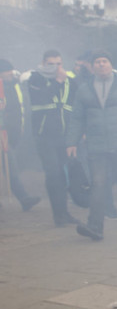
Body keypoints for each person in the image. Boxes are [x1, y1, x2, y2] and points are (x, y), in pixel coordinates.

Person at [65, 50, 117, 240]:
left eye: (105, 61)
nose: (101, 64)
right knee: (98, 184)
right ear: (92, 67)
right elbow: (76, 118)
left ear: (111, 65)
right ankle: (95, 227)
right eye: (97, 62)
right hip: (96, 146)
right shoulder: (84, 89)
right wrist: (71, 141)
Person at [28, 49, 78, 226]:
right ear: (43, 64)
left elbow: (74, 107)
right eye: (51, 64)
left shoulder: (70, 82)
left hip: (64, 136)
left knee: (63, 176)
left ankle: (64, 213)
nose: (56, 67)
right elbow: (41, 99)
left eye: (59, 64)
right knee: (53, 174)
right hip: (44, 136)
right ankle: (58, 215)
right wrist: (57, 82)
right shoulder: (35, 78)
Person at [0, 58, 42, 212]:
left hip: (10, 133)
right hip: (1, 132)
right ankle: (24, 198)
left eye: (10, 70)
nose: (10, 73)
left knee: (10, 166)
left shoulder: (15, 84)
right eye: (6, 71)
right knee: (10, 165)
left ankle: (24, 199)